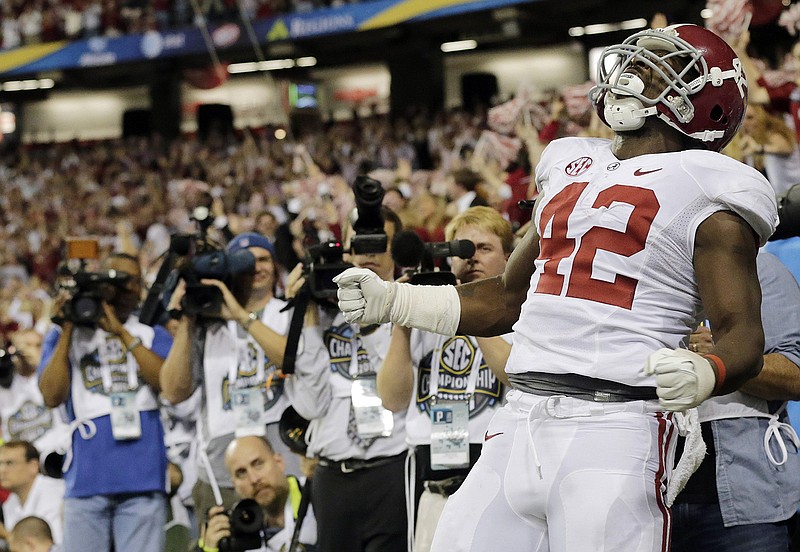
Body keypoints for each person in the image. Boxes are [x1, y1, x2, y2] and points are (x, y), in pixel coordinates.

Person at [335, 24, 778, 551]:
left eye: (660, 64)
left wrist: (710, 369)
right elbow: (504, 299)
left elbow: (742, 333)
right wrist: (394, 301)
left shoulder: (715, 185)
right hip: (520, 415)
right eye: (638, 60)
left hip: (617, 422)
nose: (634, 71)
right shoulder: (573, 165)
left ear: (706, 102)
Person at [377, 206, 513, 552]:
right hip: (429, 469)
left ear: (510, 257)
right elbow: (392, 399)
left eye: (484, 248)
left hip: (493, 463)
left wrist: (471, 313)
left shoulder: (520, 314)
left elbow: (513, 373)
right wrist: (402, 323)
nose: (470, 258)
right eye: (461, 249)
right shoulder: (426, 310)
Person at [286, 206, 408, 552]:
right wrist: (307, 313)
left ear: (395, 250)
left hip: (392, 469)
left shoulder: (412, 302)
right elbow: (311, 404)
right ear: (346, 249)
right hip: (332, 476)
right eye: (359, 244)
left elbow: (400, 397)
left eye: (378, 244)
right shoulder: (323, 307)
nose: (368, 255)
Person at [160, 232, 298, 529]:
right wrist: (187, 318)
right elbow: (173, 390)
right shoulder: (208, 324)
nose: (256, 267)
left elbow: (294, 361)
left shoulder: (287, 312)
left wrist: (242, 316)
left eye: (263, 259)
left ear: (275, 266)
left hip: (279, 462)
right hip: (219, 468)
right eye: (245, 261)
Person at [38, 251, 173, 552]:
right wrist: (67, 330)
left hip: (143, 476)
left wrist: (122, 333)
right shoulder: (63, 337)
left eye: (133, 283)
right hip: (86, 479)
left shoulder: (151, 334)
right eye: (118, 282)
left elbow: (167, 383)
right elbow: (51, 395)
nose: (126, 291)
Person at [671, 249, 800, 551]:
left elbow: (795, 375)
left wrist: (721, 361)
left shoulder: (760, 267)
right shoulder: (643, 273)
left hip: (746, 503)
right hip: (651, 501)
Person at [200, 435, 316, 552]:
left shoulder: (318, 497)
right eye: (241, 473)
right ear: (235, 485)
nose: (254, 479)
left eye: (258, 464)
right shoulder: (235, 537)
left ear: (279, 462)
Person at [0, 442, 64, 545]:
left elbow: (51, 546)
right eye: (0, 464)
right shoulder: (10, 501)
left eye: (10, 463)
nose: (2, 470)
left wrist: (7, 535)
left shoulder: (53, 492)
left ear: (33, 466)